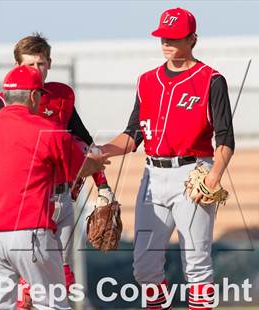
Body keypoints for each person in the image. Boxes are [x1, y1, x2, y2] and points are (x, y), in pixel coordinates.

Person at [0, 33, 115, 309]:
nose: (36, 70)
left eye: (40, 64)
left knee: (56, 274)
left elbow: (85, 144)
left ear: (49, 64)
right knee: (36, 287)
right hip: (22, 203)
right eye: (29, 64)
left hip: (59, 197)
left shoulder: (61, 96)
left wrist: (102, 186)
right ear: (16, 66)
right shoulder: (0, 103)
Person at [99, 7, 235, 310]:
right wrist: (101, 151)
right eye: (163, 36)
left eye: (173, 37)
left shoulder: (211, 80)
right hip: (153, 176)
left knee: (196, 265)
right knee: (145, 268)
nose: (166, 42)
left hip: (193, 174)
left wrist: (214, 176)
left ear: (192, 39)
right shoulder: (147, 81)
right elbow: (133, 134)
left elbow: (225, 138)